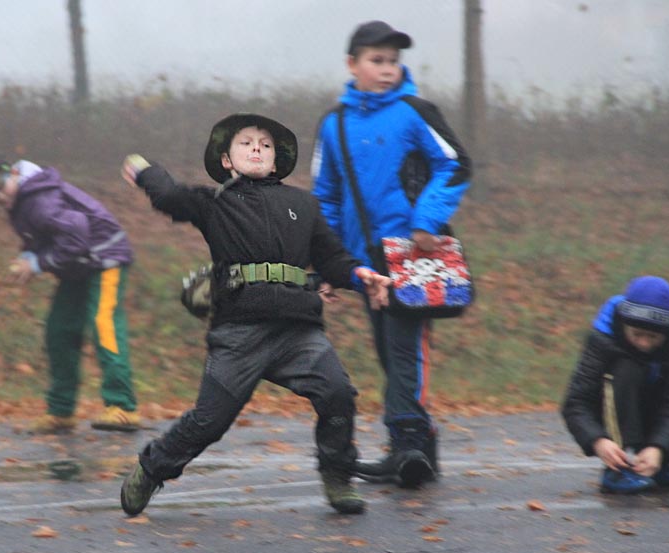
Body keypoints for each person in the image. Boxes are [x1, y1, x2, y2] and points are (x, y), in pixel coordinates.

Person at [117, 113, 393, 516]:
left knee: (337, 393)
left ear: (277, 160)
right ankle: (151, 468)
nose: (257, 149)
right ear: (227, 160)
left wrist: (359, 274)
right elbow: (169, 196)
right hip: (239, 333)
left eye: (265, 145)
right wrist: (146, 173)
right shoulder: (215, 204)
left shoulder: (304, 204)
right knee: (209, 422)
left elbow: (332, 259)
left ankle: (337, 477)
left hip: (298, 333)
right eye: (246, 143)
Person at [311, 20, 472, 487]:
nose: (386, 69)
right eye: (376, 61)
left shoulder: (414, 111)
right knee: (389, 352)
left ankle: (407, 445)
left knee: (406, 349)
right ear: (352, 64)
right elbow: (325, 196)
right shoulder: (333, 124)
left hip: (412, 256)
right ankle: (422, 446)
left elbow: (456, 163)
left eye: (393, 61)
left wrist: (427, 220)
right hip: (363, 263)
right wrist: (327, 261)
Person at [0, 154, 141, 434]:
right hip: (77, 267)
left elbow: (77, 236)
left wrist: (36, 264)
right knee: (59, 330)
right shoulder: (20, 203)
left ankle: (123, 408)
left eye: (0, 187)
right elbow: (40, 237)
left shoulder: (38, 200)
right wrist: (27, 256)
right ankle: (61, 411)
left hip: (105, 256)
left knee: (103, 324)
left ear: (12, 173)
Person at [561, 276, 669, 494]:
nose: (644, 343)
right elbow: (575, 401)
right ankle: (617, 469)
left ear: (666, 331)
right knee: (628, 367)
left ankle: (654, 465)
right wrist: (598, 440)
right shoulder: (602, 339)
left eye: (653, 336)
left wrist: (659, 447)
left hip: (651, 410)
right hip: (608, 411)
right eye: (637, 334)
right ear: (624, 324)